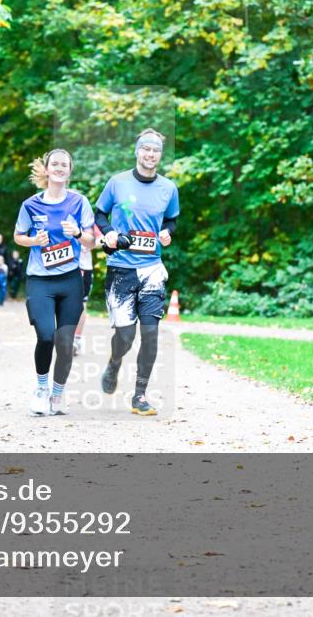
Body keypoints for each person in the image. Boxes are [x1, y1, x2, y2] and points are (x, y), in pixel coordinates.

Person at [94, 129, 179, 416]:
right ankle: (115, 362)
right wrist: (110, 234)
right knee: (126, 337)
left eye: (155, 150)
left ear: (160, 155)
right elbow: (99, 214)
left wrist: (167, 232)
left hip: (152, 269)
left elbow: (172, 220)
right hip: (121, 269)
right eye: (146, 149)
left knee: (151, 333)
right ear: (137, 151)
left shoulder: (169, 188)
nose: (150, 154)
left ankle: (140, 395)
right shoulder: (117, 183)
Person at [14, 149, 95, 416]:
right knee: (46, 335)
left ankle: (58, 395)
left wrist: (79, 233)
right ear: (47, 169)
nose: (60, 168)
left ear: (69, 171)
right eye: (55, 164)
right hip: (40, 280)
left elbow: (91, 242)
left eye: (65, 165)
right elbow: (18, 236)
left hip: (71, 279)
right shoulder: (30, 205)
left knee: (64, 341)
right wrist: (34, 241)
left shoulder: (79, 202)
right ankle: (41, 389)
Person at [72, 227, 97, 356]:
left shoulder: (90, 220)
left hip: (84, 268)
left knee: (81, 305)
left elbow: (103, 240)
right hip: (65, 267)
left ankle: (76, 340)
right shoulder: (62, 213)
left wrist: (88, 244)